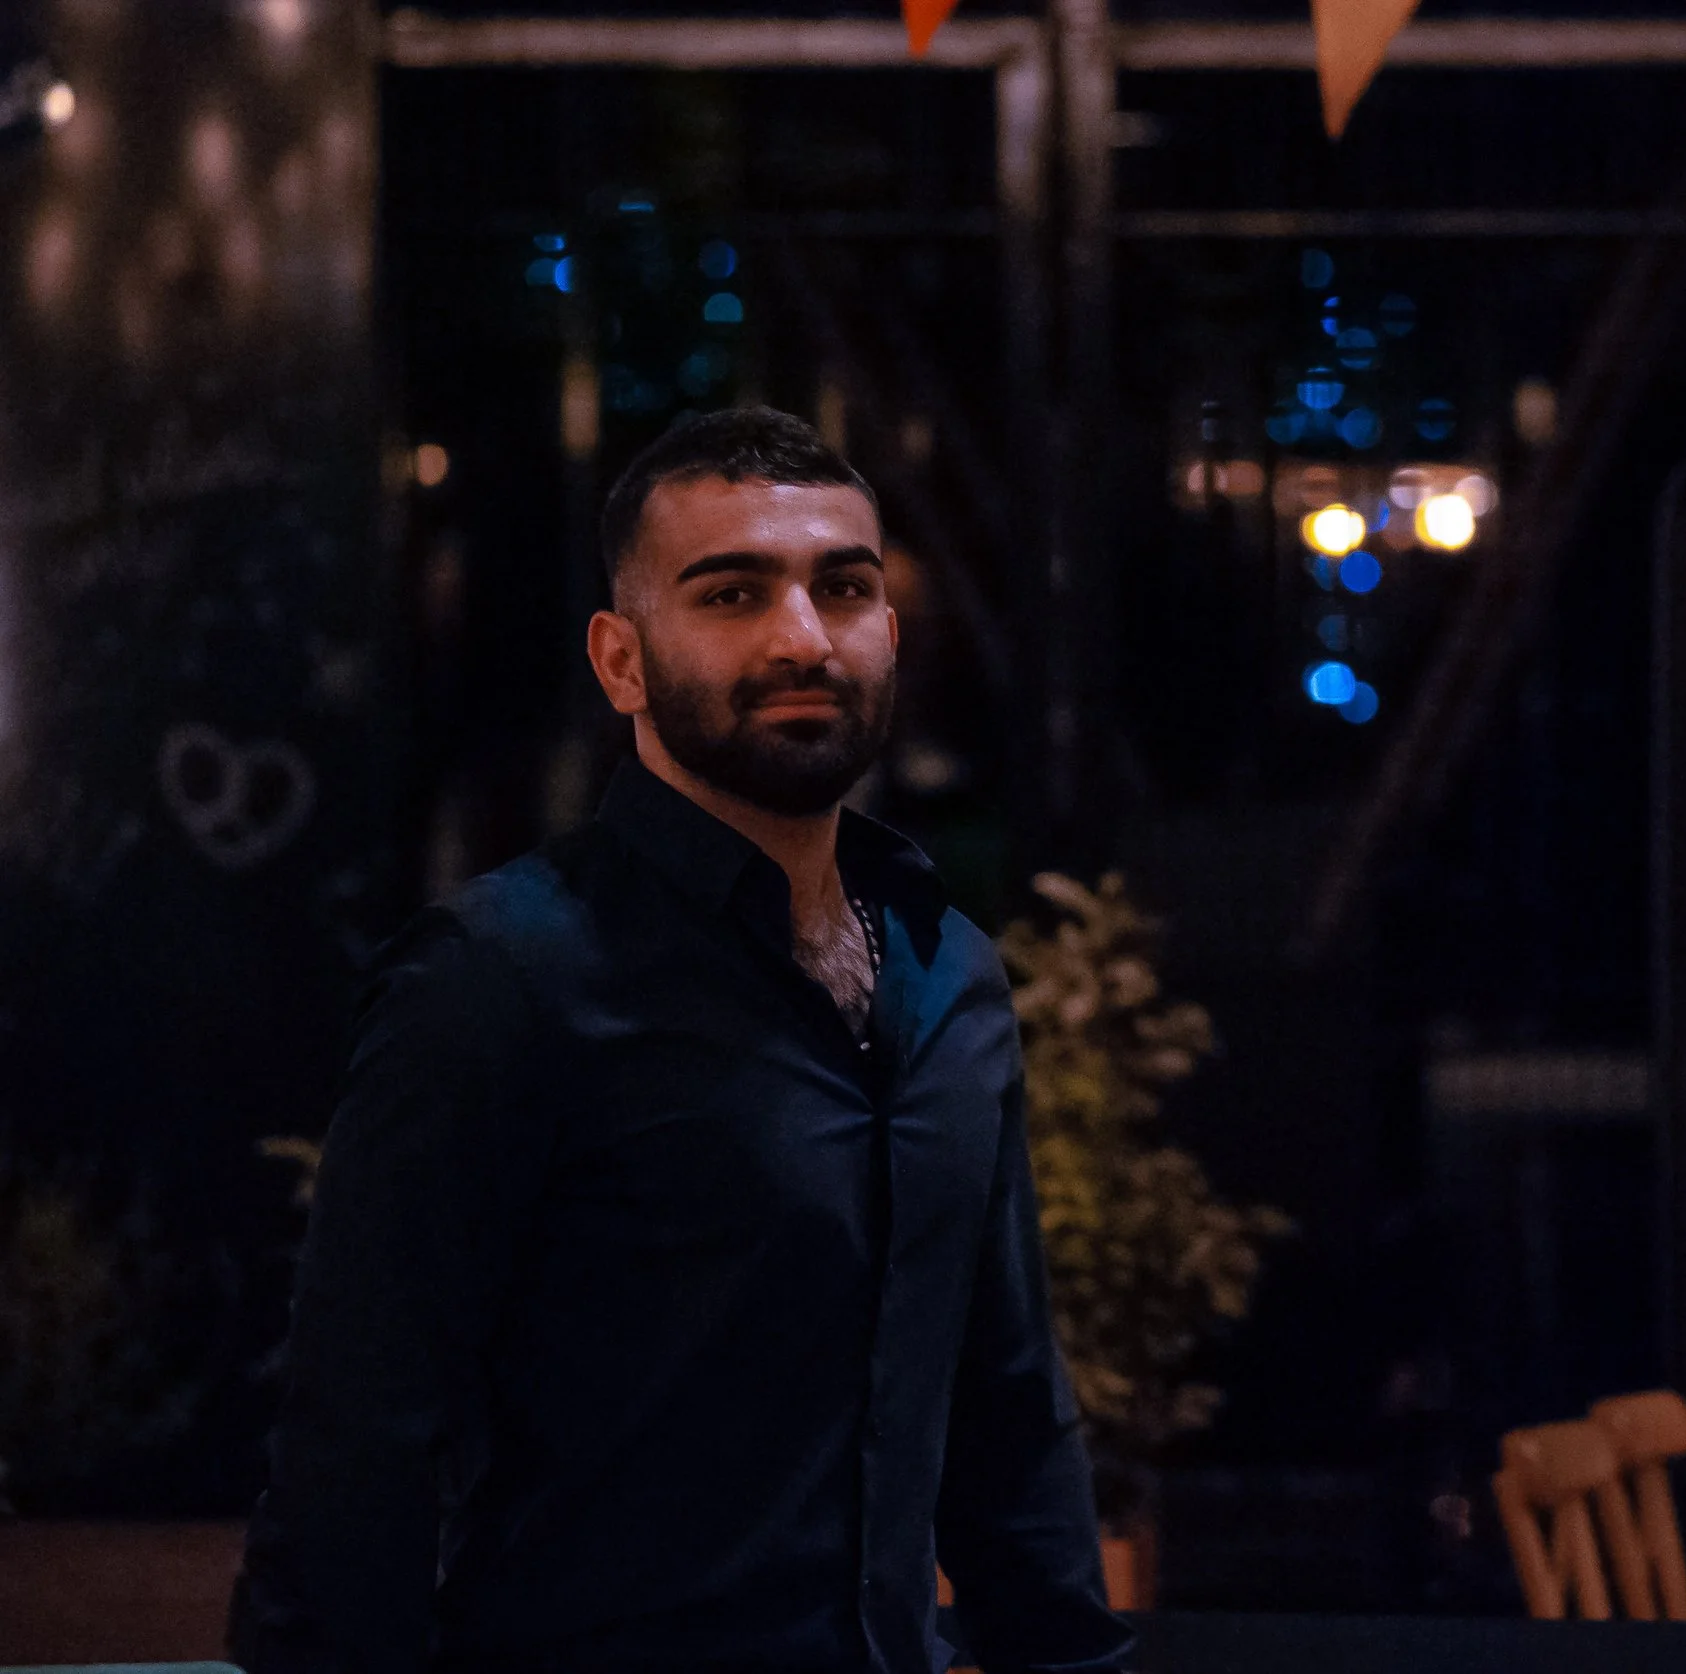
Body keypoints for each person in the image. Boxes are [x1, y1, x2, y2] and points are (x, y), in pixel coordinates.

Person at [231, 408, 1130, 1674]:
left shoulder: (951, 974)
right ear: (621, 660)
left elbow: (1007, 1414)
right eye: (732, 593)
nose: (802, 636)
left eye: (846, 587)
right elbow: (356, 1451)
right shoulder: (501, 979)